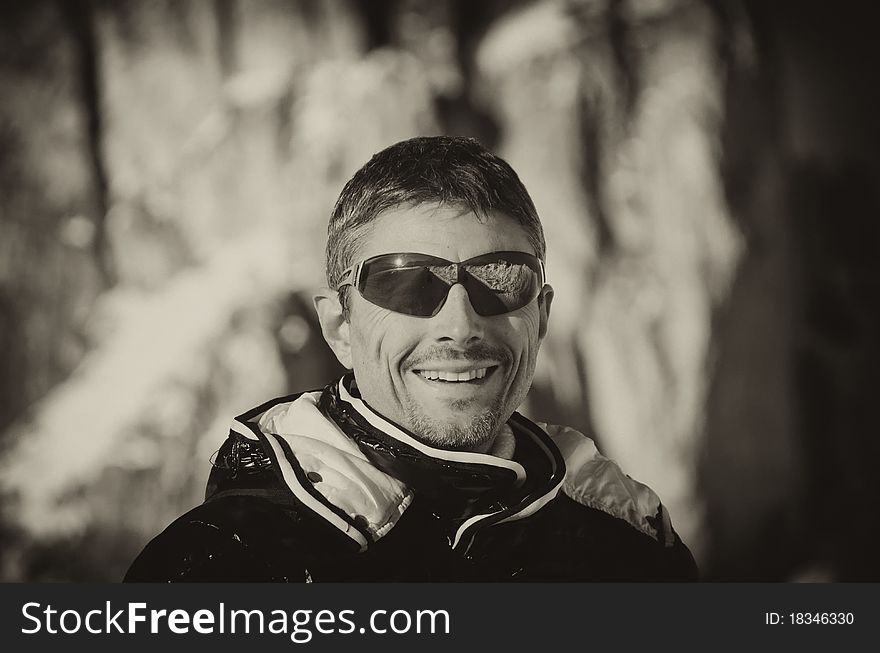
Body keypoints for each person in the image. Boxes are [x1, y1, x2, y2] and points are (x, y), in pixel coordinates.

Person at [125, 136, 698, 582]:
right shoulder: (226, 568)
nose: (459, 326)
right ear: (339, 325)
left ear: (541, 316)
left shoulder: (629, 543)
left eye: (500, 280)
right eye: (407, 284)